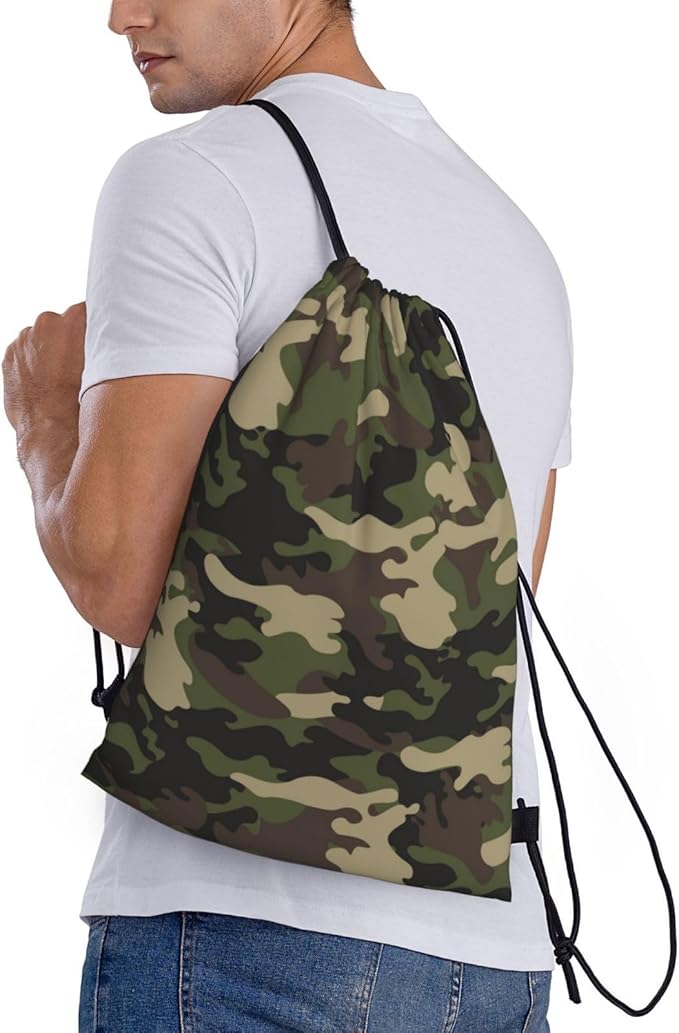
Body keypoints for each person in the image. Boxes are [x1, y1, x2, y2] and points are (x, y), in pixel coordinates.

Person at [3, 1, 572, 1030]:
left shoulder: (193, 177)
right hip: (497, 961)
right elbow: (501, 595)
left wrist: (45, 416)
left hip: (247, 939)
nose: (121, 15)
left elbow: (118, 582)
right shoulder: (514, 238)